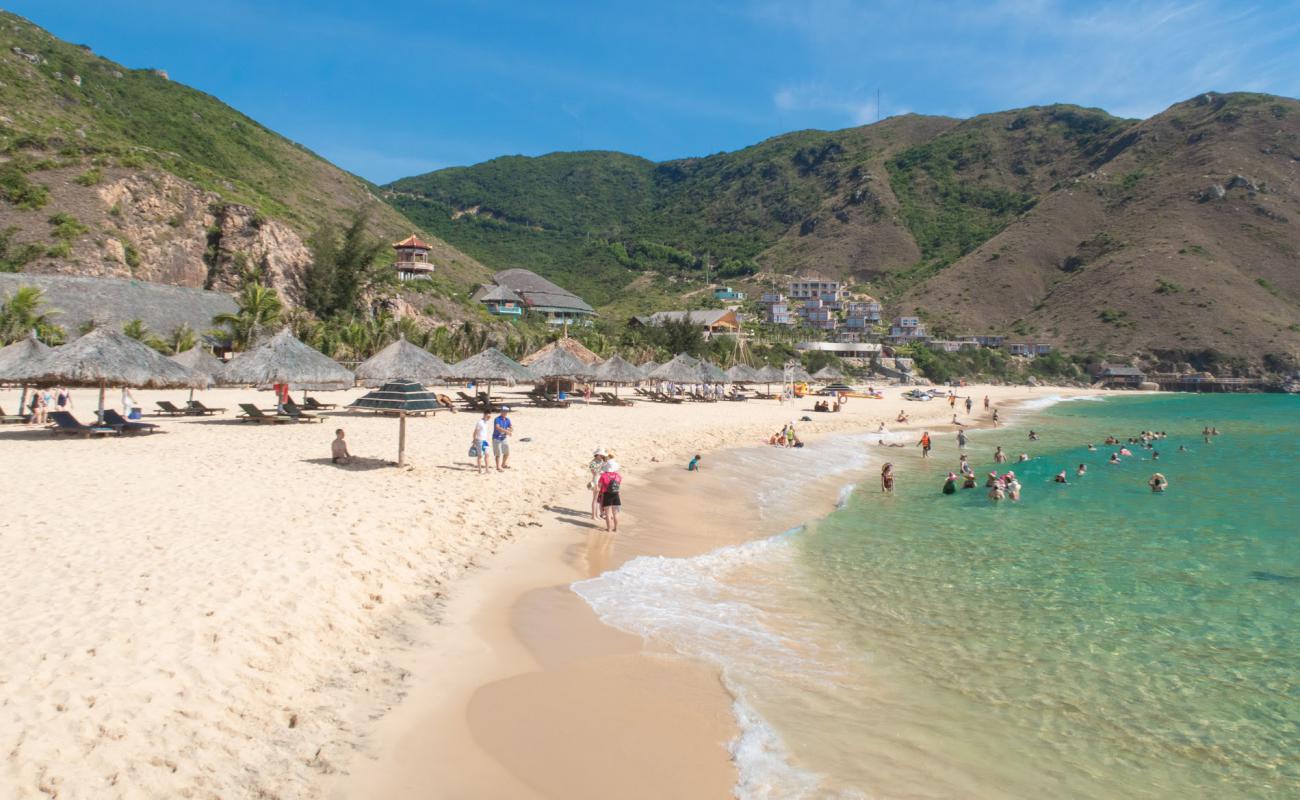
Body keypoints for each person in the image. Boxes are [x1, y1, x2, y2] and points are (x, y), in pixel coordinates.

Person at [598, 459, 622, 532]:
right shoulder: (618, 476)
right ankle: (616, 529)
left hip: (606, 495)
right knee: (615, 514)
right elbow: (618, 486)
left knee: (608, 514)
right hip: (616, 495)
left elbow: (599, 486)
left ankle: (609, 529)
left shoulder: (603, 475)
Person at [492, 406, 513, 471]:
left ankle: (503, 464)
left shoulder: (507, 420)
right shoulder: (497, 419)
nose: (505, 412)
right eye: (503, 411)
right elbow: (497, 427)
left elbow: (511, 427)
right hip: (496, 438)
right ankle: (498, 467)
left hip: (504, 438)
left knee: (507, 452)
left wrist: (511, 430)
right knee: (498, 453)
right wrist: (506, 431)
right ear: (501, 411)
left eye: (506, 411)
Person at [587, 449, 607, 517]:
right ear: (597, 455)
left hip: (600, 479)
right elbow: (594, 473)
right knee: (595, 499)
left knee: (599, 498)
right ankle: (593, 516)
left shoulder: (601, 461)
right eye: (601, 455)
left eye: (602, 455)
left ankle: (596, 515)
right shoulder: (592, 462)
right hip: (596, 480)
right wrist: (601, 472)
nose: (602, 456)